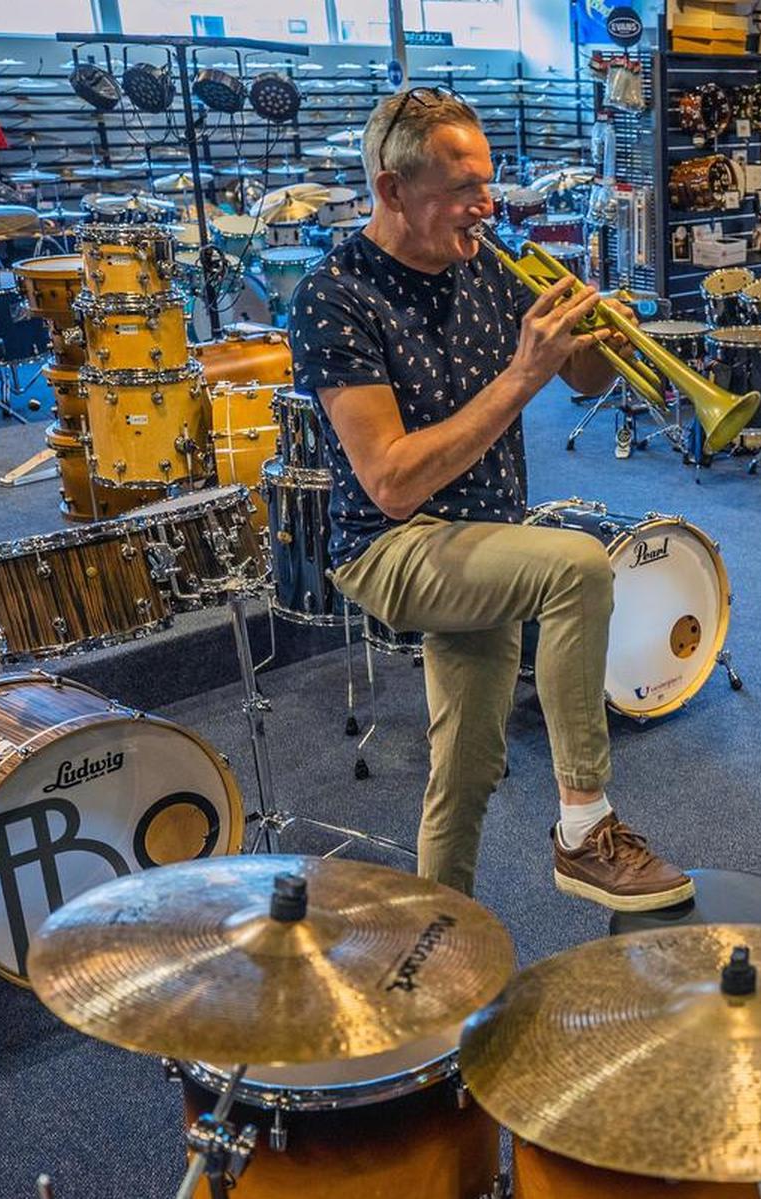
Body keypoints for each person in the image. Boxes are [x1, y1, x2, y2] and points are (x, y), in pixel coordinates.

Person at [287, 87, 692, 910]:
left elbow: (578, 377)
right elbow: (392, 482)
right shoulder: (335, 294)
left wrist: (601, 336)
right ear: (391, 190)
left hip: (486, 541)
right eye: (462, 189)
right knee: (579, 566)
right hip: (391, 546)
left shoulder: (487, 264)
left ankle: (436, 951)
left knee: (467, 768)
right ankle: (585, 826)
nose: (487, 206)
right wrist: (519, 376)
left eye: (489, 182)